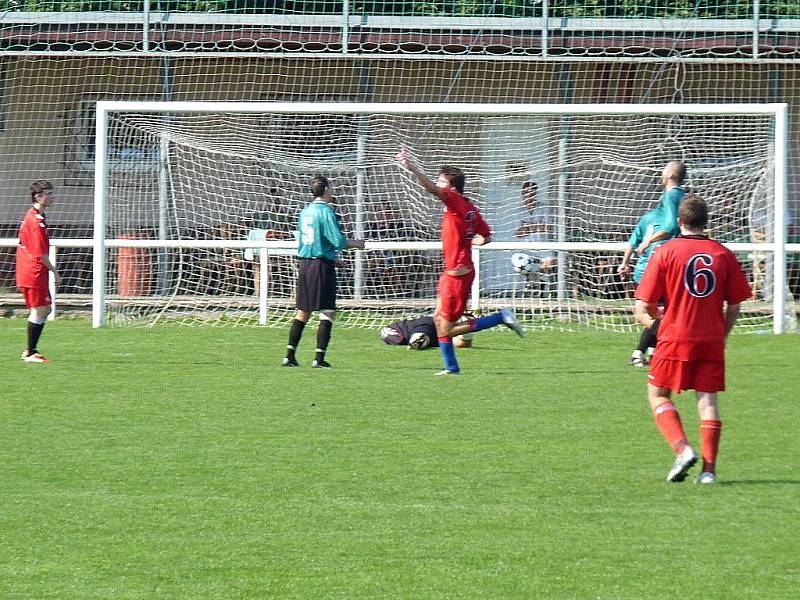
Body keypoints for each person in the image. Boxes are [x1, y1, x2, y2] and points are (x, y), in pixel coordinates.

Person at [634, 193, 752, 485]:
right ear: (705, 222)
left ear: (679, 222)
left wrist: (656, 328)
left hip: (674, 336)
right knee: (707, 400)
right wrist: (722, 334)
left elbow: (643, 307)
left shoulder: (665, 252)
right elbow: (735, 305)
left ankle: (683, 449)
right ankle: (709, 472)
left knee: (658, 394)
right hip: (711, 338)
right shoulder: (723, 253)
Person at [395, 147, 524, 376]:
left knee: (446, 328)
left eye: (441, 181)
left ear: (452, 187)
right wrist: (469, 242)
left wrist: (413, 168)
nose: (438, 184)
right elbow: (486, 236)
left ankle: (500, 317)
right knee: (439, 321)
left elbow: (431, 189)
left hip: (457, 274)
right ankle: (451, 367)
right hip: (456, 272)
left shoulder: (454, 200)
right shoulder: (469, 208)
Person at [281, 175, 364, 369]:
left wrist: (333, 260)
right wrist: (357, 244)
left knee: (303, 311)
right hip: (320, 266)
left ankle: (289, 356)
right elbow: (338, 241)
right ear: (326, 189)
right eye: (331, 187)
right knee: (327, 312)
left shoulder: (305, 211)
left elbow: (310, 241)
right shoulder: (326, 211)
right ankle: (319, 359)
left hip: (305, 265)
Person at [619, 161, 688, 367]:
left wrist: (649, 241)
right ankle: (652, 351)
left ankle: (648, 350)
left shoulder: (672, 195)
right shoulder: (672, 200)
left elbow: (671, 225)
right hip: (665, 262)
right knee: (658, 312)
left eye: (665, 168)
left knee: (645, 311)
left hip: (661, 264)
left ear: (670, 174)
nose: (661, 171)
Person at [16, 180, 61, 363]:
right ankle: (30, 352)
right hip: (33, 272)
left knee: (45, 309)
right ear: (38, 196)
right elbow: (41, 255)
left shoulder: (36, 217)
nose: (52, 197)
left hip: (33, 271)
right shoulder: (35, 221)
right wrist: (55, 272)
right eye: (48, 194)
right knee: (40, 309)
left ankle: (31, 351)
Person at [618, 208, 664, 367]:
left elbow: (633, 241)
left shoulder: (649, 216)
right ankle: (640, 353)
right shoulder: (674, 222)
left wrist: (625, 262)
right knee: (657, 316)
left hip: (642, 273)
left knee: (653, 315)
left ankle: (651, 353)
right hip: (657, 274)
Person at [514, 181, 556, 293]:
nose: (529, 196)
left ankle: (535, 280)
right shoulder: (518, 210)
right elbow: (518, 233)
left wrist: (527, 227)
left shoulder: (545, 208)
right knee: (518, 262)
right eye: (526, 193)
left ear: (536, 194)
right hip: (527, 247)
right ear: (522, 194)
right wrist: (537, 226)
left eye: (531, 193)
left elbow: (547, 227)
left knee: (551, 263)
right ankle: (536, 280)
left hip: (544, 246)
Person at [380, 315, 473, 350]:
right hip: (401, 329)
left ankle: (466, 328)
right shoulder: (428, 325)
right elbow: (420, 336)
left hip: (426, 327)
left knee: (463, 343)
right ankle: (466, 327)